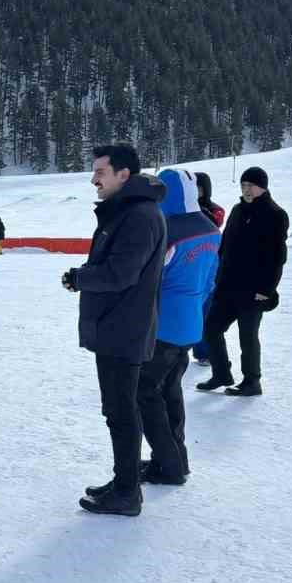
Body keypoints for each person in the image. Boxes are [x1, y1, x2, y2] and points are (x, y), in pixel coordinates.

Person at [61, 144, 165, 517]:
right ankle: (125, 481)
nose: (94, 180)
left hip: (124, 329)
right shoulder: (127, 211)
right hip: (118, 326)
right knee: (118, 410)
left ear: (124, 174)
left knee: (121, 412)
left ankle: (126, 493)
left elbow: (121, 273)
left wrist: (80, 278)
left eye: (100, 172)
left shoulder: (139, 216)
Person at [137, 171, 220, 485]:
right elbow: (211, 279)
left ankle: (169, 465)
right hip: (191, 323)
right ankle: (176, 458)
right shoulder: (210, 228)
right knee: (170, 390)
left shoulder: (167, 230)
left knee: (144, 392)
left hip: (163, 326)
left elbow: (148, 281)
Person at [197, 167, 288, 397]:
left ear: (262, 187)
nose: (246, 189)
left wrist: (266, 289)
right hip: (227, 286)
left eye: (251, 185)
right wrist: (217, 276)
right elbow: (224, 246)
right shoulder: (238, 210)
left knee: (247, 336)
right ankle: (221, 374)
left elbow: (277, 257)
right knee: (210, 328)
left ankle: (252, 381)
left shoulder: (275, 214)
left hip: (254, 289)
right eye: (243, 185)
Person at [190, 173, 225, 365]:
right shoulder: (185, 207)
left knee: (205, 310)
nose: (196, 192)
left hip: (208, 264)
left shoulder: (213, 210)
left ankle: (203, 351)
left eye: (199, 188)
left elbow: (215, 221)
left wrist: (198, 211)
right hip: (190, 262)